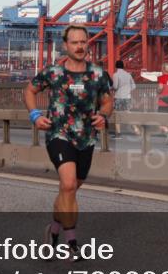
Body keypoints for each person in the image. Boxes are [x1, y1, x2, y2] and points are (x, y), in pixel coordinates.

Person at [25, 25, 112, 261]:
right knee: (68, 184)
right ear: (66, 45)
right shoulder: (53, 72)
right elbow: (30, 90)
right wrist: (34, 115)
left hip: (86, 138)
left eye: (83, 42)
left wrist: (103, 115)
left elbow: (107, 101)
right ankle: (71, 243)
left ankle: (52, 230)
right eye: (75, 42)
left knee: (69, 189)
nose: (80, 46)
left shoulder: (97, 73)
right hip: (58, 134)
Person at [110, 60, 138, 138]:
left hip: (118, 97)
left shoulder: (116, 75)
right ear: (123, 66)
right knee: (128, 113)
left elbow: (115, 86)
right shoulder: (128, 75)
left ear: (116, 66)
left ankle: (118, 134)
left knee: (117, 115)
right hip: (127, 97)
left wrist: (112, 88)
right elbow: (134, 86)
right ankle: (136, 129)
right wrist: (127, 90)